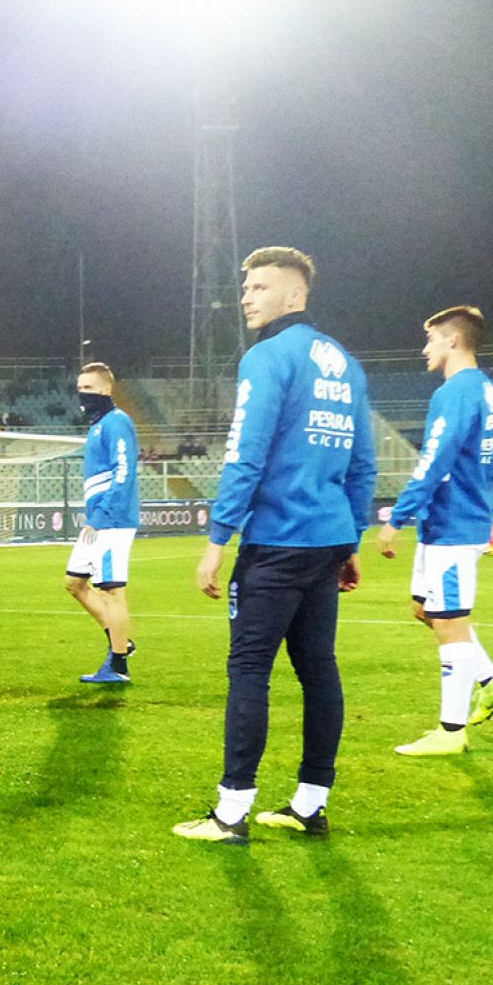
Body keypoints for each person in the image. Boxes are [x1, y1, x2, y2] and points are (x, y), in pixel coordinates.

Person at [176, 247, 376, 844]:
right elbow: (362, 464)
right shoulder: (347, 365)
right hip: (326, 540)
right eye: (246, 287)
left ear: (295, 294)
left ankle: (231, 812)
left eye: (260, 287)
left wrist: (218, 538)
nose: (246, 297)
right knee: (319, 669)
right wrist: (351, 539)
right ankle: (310, 804)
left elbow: (246, 452)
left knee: (249, 669)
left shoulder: (267, 357)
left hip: (277, 541)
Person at [377, 306, 493, 755]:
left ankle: (451, 732)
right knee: (427, 611)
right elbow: (490, 461)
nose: (425, 348)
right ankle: (491, 683)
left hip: (454, 524)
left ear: (453, 341)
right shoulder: (488, 391)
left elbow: (435, 459)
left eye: (431, 339)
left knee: (450, 621)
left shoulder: (456, 392)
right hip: (456, 520)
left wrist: (397, 517)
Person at [64, 362, 141, 685]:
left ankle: (118, 665)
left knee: (111, 591)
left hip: (112, 522)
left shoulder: (116, 422)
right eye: (80, 388)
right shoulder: (99, 425)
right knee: (74, 583)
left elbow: (124, 472)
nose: (83, 394)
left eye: (89, 388)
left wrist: (100, 516)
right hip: (99, 522)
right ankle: (120, 640)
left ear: (106, 389)